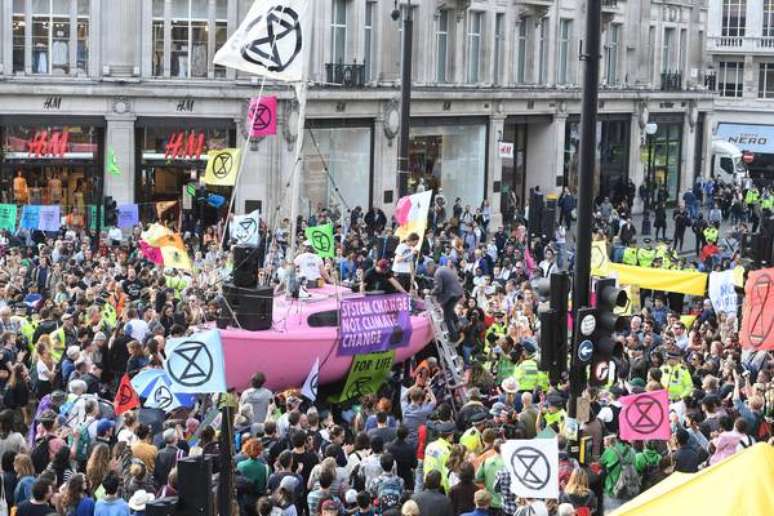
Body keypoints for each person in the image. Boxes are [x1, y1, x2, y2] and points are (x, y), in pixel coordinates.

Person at [425, 258, 464, 340]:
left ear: (430, 267)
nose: (428, 272)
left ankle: (454, 336)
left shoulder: (437, 273)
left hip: (452, 295)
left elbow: (438, 288)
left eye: (427, 270)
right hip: (457, 292)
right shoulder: (444, 268)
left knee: (447, 316)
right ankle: (458, 324)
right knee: (449, 310)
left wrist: (429, 292)